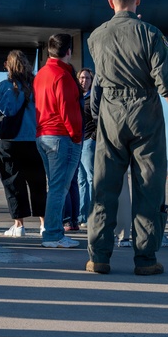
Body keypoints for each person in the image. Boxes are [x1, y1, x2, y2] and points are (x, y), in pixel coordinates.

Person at [85, 0, 168, 277]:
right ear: (137, 0)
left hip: (111, 112)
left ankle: (99, 257)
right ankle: (145, 259)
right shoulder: (151, 34)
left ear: (111, 3)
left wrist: (98, 118)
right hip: (145, 110)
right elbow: (166, 83)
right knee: (149, 185)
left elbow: (99, 84)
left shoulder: (96, 36)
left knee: (104, 186)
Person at [34, 33, 83, 248]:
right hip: (61, 136)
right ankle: (53, 234)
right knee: (59, 187)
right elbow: (68, 110)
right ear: (69, 52)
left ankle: (51, 231)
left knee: (54, 186)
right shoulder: (62, 76)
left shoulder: (42, 74)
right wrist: (77, 137)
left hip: (43, 135)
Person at [0, 50, 47, 237]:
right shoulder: (36, 86)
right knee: (38, 182)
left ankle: (19, 225)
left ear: (8, 65)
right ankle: (43, 224)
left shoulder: (4, 86)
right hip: (33, 139)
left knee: (13, 183)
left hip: (9, 141)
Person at [76, 68, 96, 227]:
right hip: (77, 141)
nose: (84, 81)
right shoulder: (76, 97)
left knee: (90, 178)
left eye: (87, 78)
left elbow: (100, 118)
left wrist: (93, 136)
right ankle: (82, 216)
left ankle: (92, 216)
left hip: (89, 141)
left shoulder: (94, 98)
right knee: (81, 180)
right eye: (82, 78)